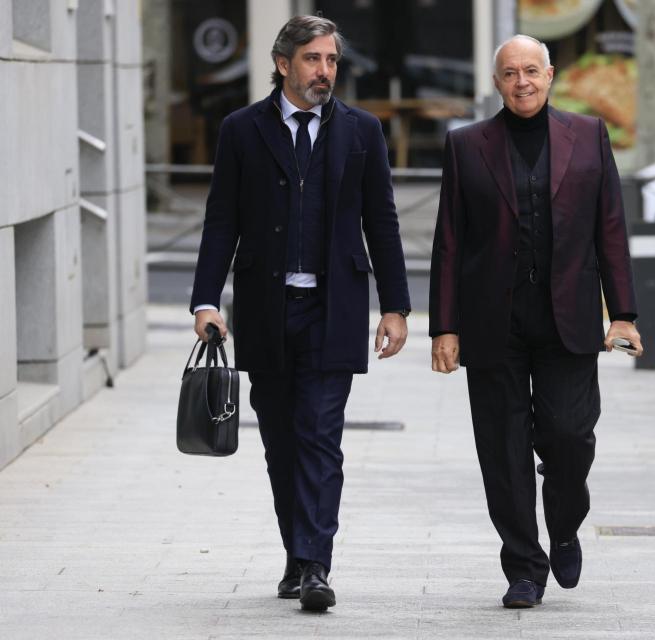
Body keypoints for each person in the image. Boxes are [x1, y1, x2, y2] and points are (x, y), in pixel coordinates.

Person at [190, 15, 410, 612]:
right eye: (312, 60)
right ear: (283, 64)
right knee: (282, 442)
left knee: (320, 436)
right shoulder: (241, 130)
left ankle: (315, 565)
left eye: (332, 60)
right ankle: (297, 555)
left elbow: (382, 222)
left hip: (332, 310)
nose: (324, 71)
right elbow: (221, 220)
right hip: (266, 309)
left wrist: (395, 306)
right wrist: (206, 300)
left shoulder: (362, 131)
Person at [429, 34, 642, 609]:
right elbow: (449, 242)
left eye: (531, 71)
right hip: (492, 322)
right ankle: (524, 565)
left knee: (569, 438)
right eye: (509, 73)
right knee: (502, 450)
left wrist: (622, 313)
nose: (521, 82)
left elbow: (611, 230)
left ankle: (566, 523)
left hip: (567, 321)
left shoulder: (591, 136)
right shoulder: (466, 145)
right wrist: (443, 326)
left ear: (550, 76)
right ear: (496, 83)